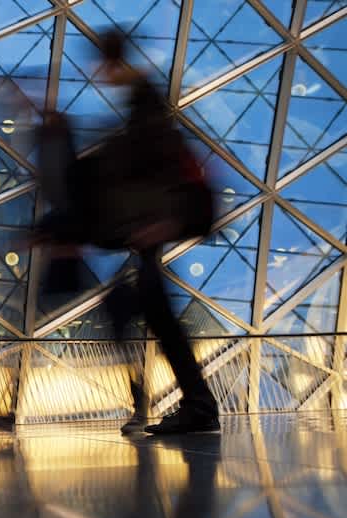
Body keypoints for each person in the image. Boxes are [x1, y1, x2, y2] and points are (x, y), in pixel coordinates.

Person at [93, 29, 220, 436]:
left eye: (102, 64)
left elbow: (159, 161)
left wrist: (160, 221)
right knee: (158, 316)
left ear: (112, 62)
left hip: (159, 223)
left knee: (155, 315)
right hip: (154, 225)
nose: (99, 74)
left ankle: (195, 405)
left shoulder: (144, 102)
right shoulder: (142, 101)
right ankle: (193, 403)